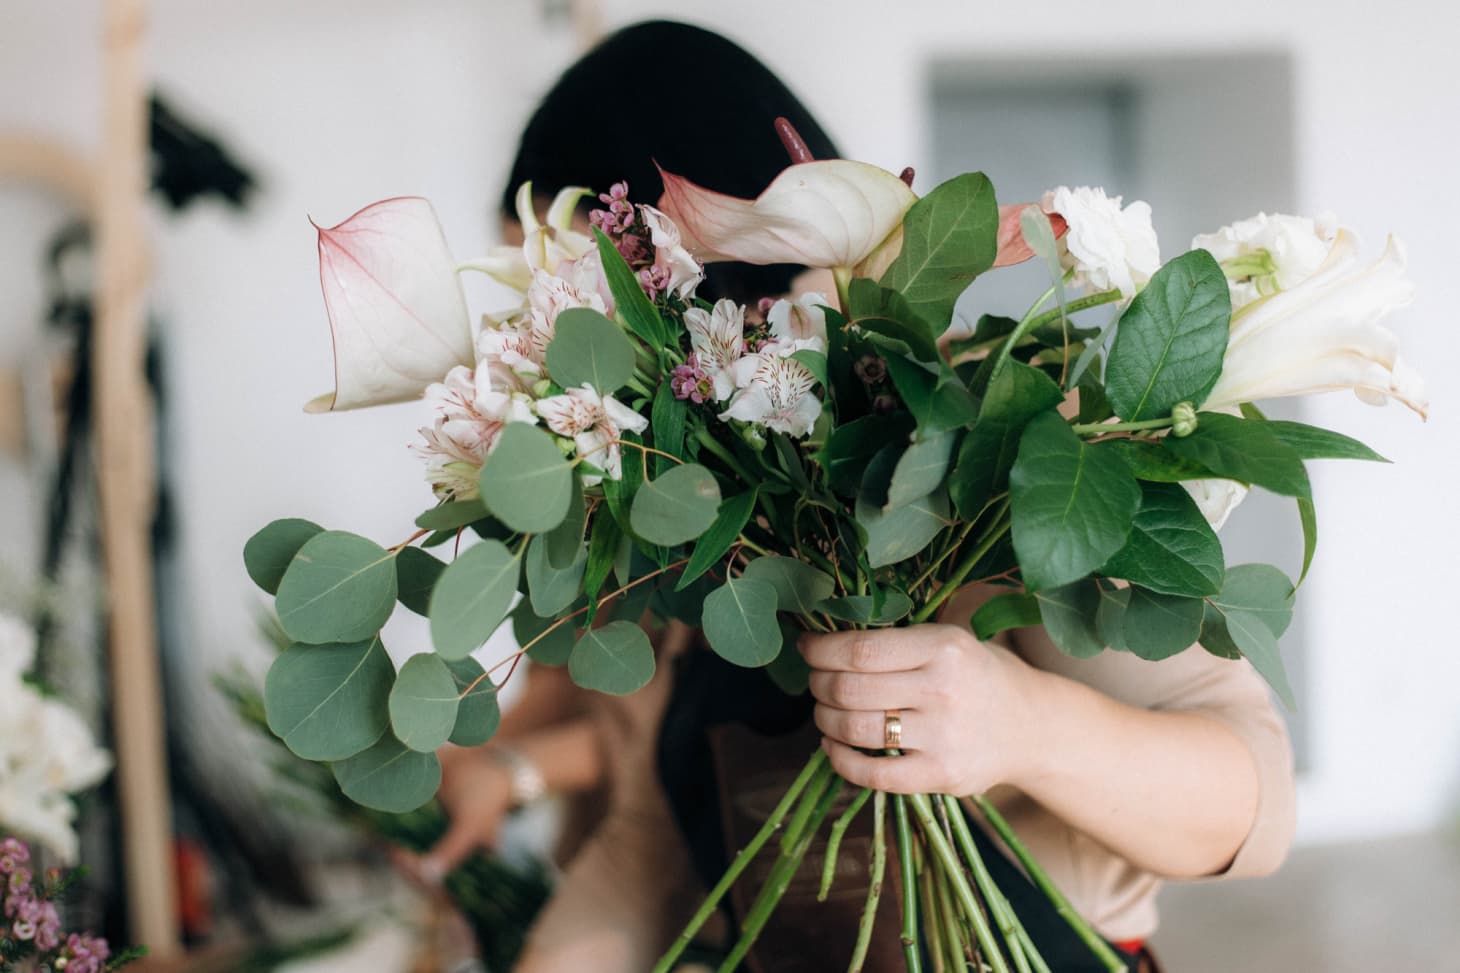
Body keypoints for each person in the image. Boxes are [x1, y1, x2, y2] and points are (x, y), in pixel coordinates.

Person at [426, 21, 1296, 973]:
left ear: (686, 246)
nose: (543, 342)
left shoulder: (997, 429)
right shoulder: (681, 487)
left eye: (556, 283)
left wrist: (1024, 723)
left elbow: (1255, 800)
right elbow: (653, 841)